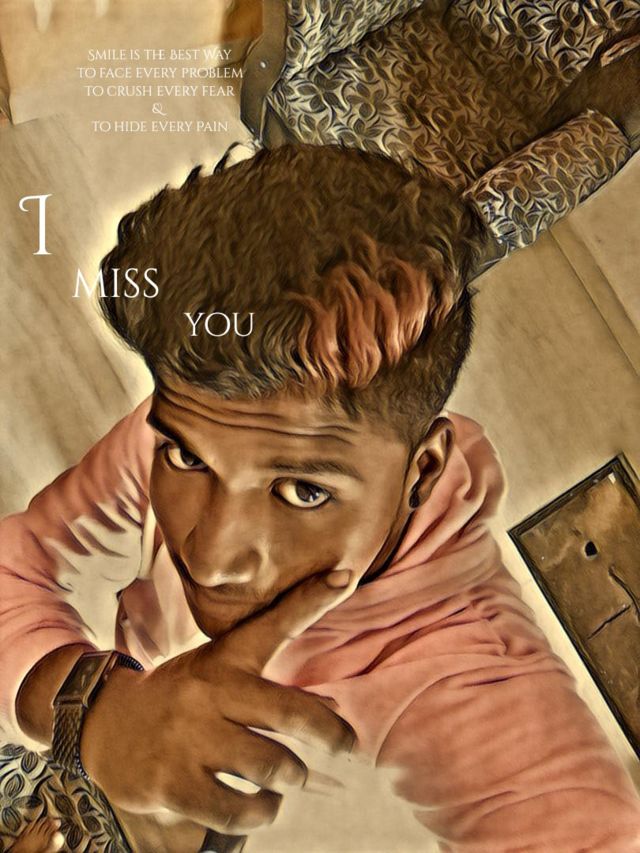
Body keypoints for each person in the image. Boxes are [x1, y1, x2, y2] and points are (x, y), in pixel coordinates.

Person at [1, 144, 639, 851]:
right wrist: (94, 711)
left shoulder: (471, 680)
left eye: (303, 490)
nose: (209, 558)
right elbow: (17, 564)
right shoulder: (216, 421)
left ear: (423, 472)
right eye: (187, 458)